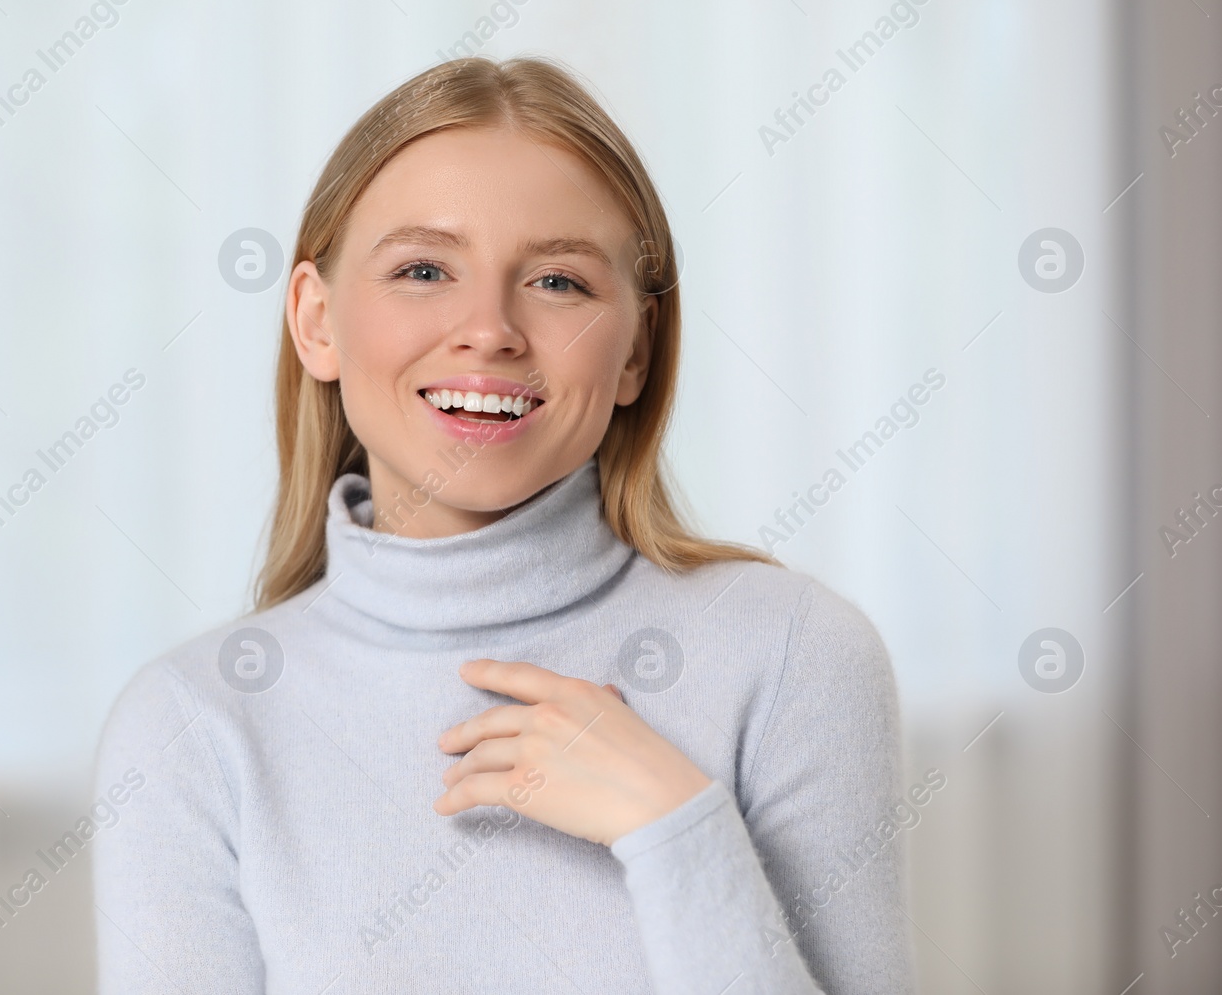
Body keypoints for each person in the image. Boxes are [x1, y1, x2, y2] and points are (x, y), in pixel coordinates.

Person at [94, 55, 916, 994]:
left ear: (637, 348)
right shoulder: (191, 726)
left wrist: (678, 829)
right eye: (423, 268)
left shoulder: (795, 656)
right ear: (315, 321)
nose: (489, 329)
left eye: (559, 282)